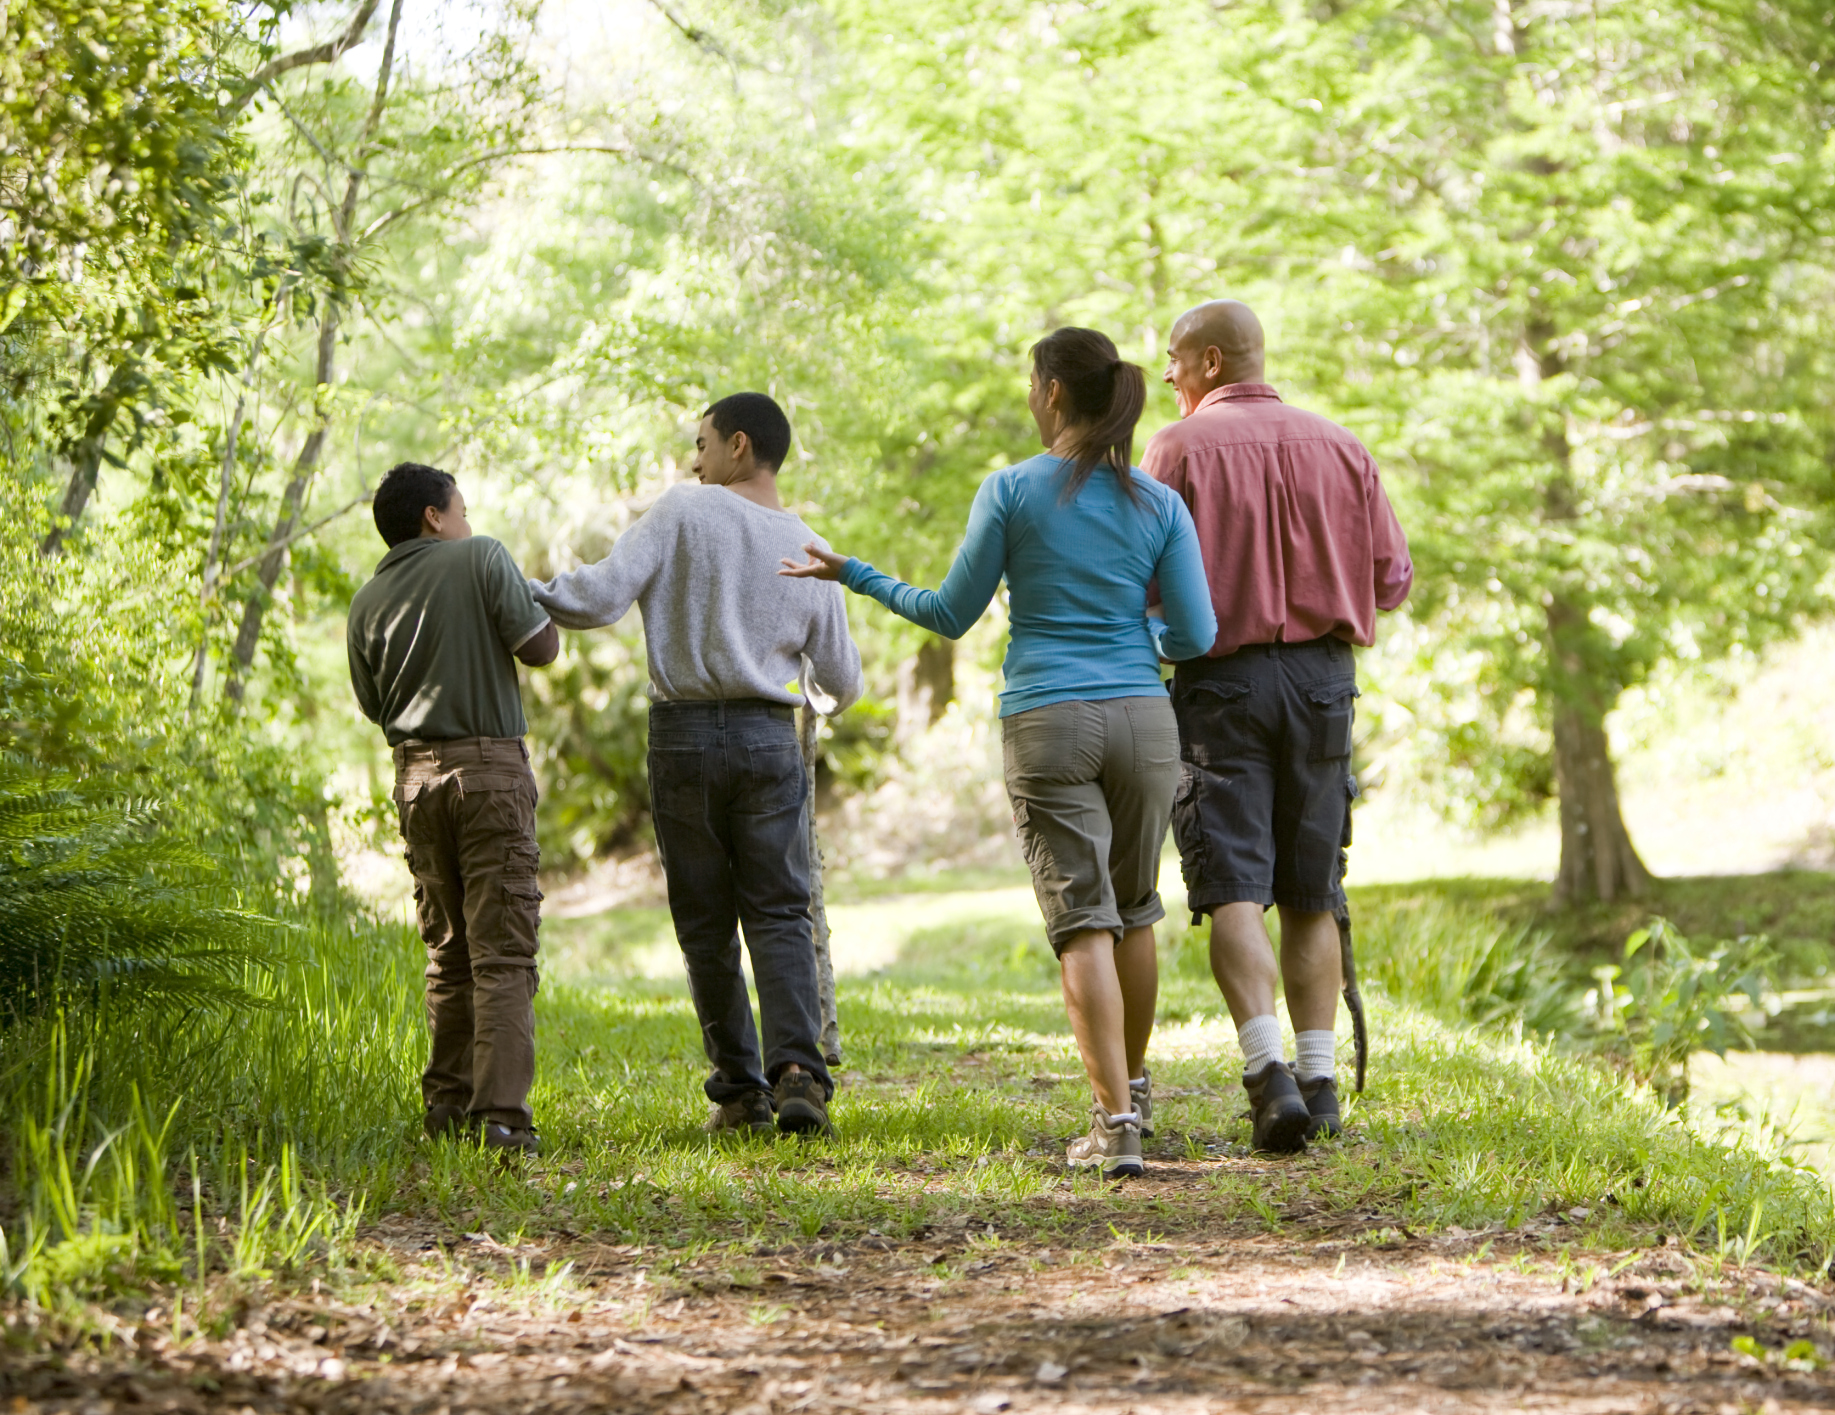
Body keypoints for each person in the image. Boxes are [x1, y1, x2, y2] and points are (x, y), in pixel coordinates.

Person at [781, 327, 1216, 1179]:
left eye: (1031, 381)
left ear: (1053, 392)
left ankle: (1115, 1122)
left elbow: (949, 612)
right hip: (1142, 715)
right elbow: (1195, 633)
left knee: (1081, 920)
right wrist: (1136, 632)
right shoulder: (1159, 503)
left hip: (1049, 716)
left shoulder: (1012, 491)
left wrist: (855, 574)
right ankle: (1134, 1093)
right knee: (1134, 909)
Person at [533, 393, 862, 1138]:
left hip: (682, 737)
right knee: (781, 909)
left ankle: (741, 1093)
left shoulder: (683, 512)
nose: (694, 458)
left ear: (739, 445)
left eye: (702, 441)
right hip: (769, 738)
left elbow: (600, 596)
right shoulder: (809, 543)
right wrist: (801, 689)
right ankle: (800, 1074)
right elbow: (843, 682)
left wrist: (514, 590)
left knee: (705, 923)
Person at [1143, 299, 1413, 1154]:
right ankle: (1321, 1080)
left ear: (1213, 362)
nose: (1168, 378)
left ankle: (1268, 1078)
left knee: (1231, 888)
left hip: (1221, 683)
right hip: (1325, 683)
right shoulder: (1342, 445)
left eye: (1176, 362)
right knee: (1310, 889)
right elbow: (1393, 579)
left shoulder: (1177, 448)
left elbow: (1139, 573)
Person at [347, 462, 561, 1155]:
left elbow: (374, 704)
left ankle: (445, 1107)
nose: (467, 519)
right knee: (503, 950)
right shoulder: (480, 557)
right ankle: (500, 1117)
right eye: (461, 508)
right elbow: (543, 648)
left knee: (449, 953)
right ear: (434, 517)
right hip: (488, 770)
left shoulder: (367, 600)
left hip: (414, 779)